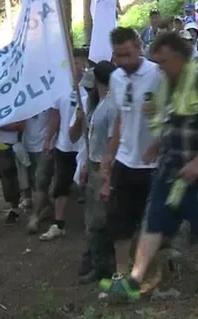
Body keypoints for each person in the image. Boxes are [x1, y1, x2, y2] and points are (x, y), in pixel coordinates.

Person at [101, 32, 198, 300]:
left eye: (163, 61)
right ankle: (134, 281)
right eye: (157, 62)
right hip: (171, 167)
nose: (159, 68)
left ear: (180, 57)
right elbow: (172, 122)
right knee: (154, 220)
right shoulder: (166, 84)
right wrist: (158, 143)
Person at [101, 27, 163, 285]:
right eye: (118, 56)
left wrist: (159, 142)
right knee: (120, 219)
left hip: (154, 163)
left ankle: (152, 274)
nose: (123, 61)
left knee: (154, 222)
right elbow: (121, 118)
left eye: (127, 54)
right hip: (125, 161)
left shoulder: (158, 74)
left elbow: (173, 114)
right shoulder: (116, 78)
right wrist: (110, 152)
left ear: (139, 47)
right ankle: (121, 273)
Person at [29, 47, 89, 238]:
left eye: (80, 62)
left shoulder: (90, 88)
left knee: (86, 184)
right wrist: (48, 139)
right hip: (64, 144)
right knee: (61, 183)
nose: (77, 66)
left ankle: (91, 222)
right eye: (73, 62)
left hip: (85, 146)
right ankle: (58, 223)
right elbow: (55, 116)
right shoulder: (60, 87)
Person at [72, 61, 117, 283]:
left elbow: (112, 141)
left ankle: (104, 267)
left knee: (99, 220)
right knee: (93, 218)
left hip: (103, 167)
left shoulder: (110, 107)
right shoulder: (99, 105)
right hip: (94, 164)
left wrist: (106, 170)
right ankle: (98, 262)